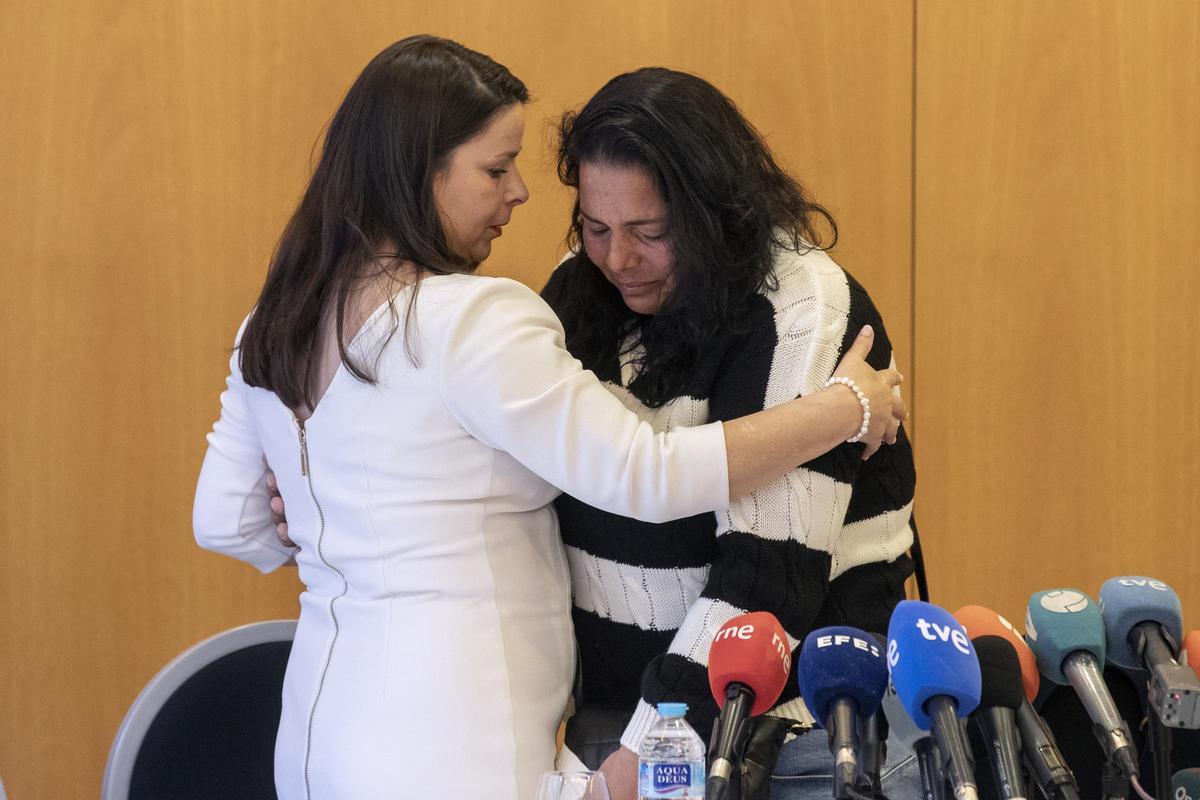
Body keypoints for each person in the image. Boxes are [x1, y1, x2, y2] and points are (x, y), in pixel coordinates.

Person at [192, 37, 905, 800]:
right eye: (497, 169)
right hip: (466, 738)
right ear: (415, 170)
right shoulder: (477, 318)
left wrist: (327, 508)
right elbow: (645, 471)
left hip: (321, 734)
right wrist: (845, 406)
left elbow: (226, 522)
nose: (521, 194)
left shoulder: (272, 323)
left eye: (650, 231)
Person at [541, 68, 920, 799]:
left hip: (795, 733)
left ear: (718, 214)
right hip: (619, 717)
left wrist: (645, 752)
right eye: (596, 227)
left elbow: (766, 577)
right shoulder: (576, 285)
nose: (618, 259)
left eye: (650, 233)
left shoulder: (802, 308)